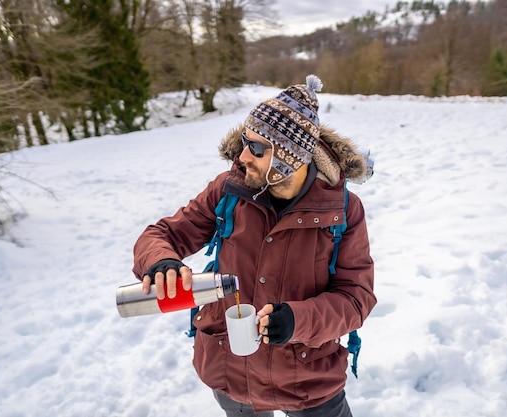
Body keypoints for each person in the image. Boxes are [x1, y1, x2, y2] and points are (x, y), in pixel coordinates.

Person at [132, 75, 376, 417]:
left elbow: (356, 299)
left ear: (288, 160)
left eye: (258, 149)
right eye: (246, 141)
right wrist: (160, 261)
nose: (243, 155)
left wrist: (297, 320)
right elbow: (162, 234)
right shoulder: (228, 190)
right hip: (231, 372)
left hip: (308, 381)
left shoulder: (342, 211)